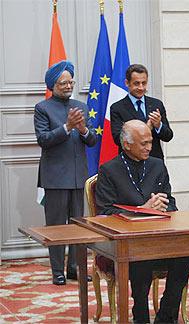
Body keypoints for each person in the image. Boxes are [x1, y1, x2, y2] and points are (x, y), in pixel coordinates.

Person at [95, 120, 189, 324]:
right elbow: (104, 211)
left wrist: (164, 206)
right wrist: (142, 211)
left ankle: (166, 314)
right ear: (127, 144)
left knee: (185, 255)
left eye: (150, 142)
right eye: (143, 143)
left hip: (160, 237)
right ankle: (140, 313)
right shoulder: (109, 170)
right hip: (128, 244)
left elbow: (171, 201)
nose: (149, 147)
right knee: (141, 258)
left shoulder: (157, 165)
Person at [34, 60, 97, 285]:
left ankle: (75, 268)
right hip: (55, 178)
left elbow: (92, 141)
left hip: (78, 176)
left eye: (71, 82)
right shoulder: (43, 108)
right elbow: (43, 140)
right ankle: (57, 271)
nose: (69, 86)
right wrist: (67, 127)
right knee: (57, 227)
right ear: (53, 85)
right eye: (64, 83)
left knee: (77, 226)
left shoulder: (80, 106)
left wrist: (82, 129)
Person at [110, 64, 173, 160]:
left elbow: (168, 136)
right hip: (130, 162)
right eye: (136, 83)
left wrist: (158, 125)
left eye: (144, 83)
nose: (141, 87)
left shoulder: (156, 104)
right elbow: (118, 139)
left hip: (154, 162)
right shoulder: (117, 108)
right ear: (127, 83)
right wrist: (146, 128)